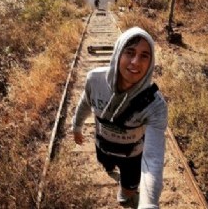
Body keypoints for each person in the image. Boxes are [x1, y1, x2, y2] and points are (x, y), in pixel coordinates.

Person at [72, 27, 168, 208]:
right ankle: (109, 168)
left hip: (132, 155)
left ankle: (125, 195)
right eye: (129, 52)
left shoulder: (155, 105)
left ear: (151, 62)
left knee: (129, 189)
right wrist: (77, 126)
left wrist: (149, 204)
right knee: (106, 164)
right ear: (118, 53)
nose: (135, 62)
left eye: (144, 56)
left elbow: (154, 158)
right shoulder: (95, 79)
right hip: (102, 145)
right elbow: (85, 102)